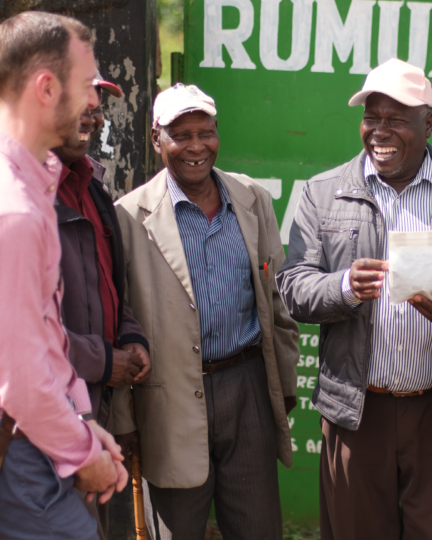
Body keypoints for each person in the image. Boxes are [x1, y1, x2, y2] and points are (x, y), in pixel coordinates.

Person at [277, 58, 432, 540]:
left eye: (396, 120)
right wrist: (343, 287)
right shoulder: (323, 193)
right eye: (371, 117)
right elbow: (293, 284)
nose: (379, 131)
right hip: (356, 409)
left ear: (428, 123)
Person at [0, 11, 128, 539]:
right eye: (87, 85)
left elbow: (43, 331)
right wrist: (85, 456)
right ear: (46, 87)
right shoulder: (7, 207)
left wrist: (82, 422)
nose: (92, 101)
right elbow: (20, 378)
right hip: (16, 458)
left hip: (22, 443)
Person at [113, 83, 300, 539]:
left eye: (206, 132)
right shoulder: (128, 216)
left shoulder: (252, 199)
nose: (196, 147)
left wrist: (282, 388)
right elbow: (118, 322)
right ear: (157, 139)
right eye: (181, 135)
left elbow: (274, 304)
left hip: (247, 386)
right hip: (169, 400)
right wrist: (123, 419)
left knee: (258, 528)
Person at [51, 73, 151, 539]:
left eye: (97, 107)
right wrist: (104, 360)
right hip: (43, 415)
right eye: (81, 105)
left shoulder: (91, 187)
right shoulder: (24, 197)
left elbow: (111, 285)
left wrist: (130, 335)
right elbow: (20, 333)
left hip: (96, 406)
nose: (93, 116)